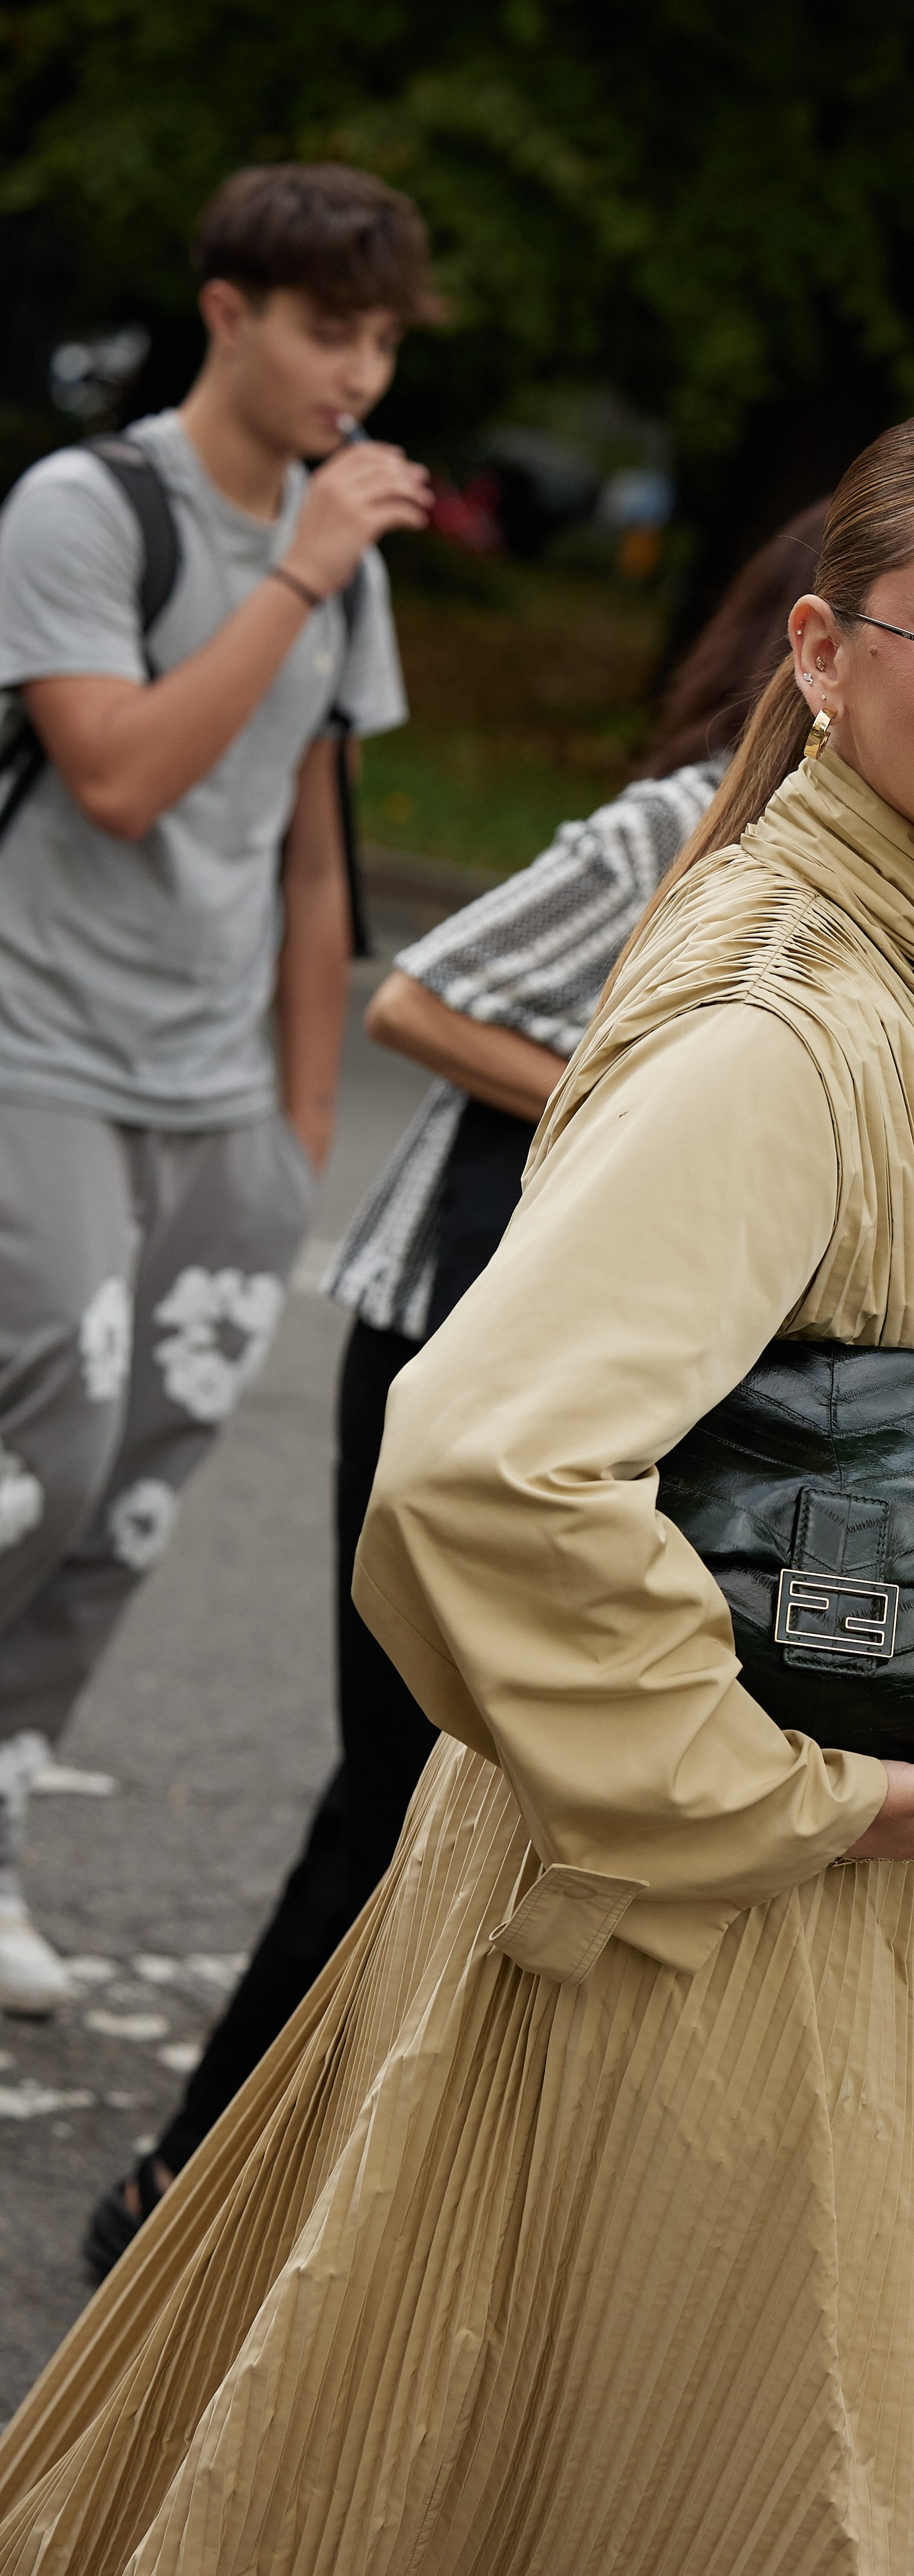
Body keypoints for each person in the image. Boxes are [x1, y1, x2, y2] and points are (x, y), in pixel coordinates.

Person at [0, 403, 914, 2576]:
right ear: (825, 655)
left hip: (738, 1895)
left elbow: (825, 1386)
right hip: (668, 1925)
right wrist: (782, 1793)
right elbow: (478, 1469)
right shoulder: (792, 1003)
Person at [82, 498, 830, 2275]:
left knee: (496, 1802)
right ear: (819, 643)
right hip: (449, 1332)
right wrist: (633, 1115)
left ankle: (336, 2204)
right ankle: (181, 2195)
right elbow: (423, 996)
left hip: (613, 1390)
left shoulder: (874, 902)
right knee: (396, 1783)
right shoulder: (690, 822)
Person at [0, 162, 432, 2012]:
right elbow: (118, 774)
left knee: (142, 1492)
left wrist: (302, 1126)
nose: (362, 370)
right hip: (36, 1047)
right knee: (53, 1439)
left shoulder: (345, 558)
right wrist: (299, 567)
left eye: (388, 336)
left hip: (221, 1101)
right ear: (230, 312)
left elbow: (312, 851)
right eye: (333, 327)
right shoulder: (86, 509)